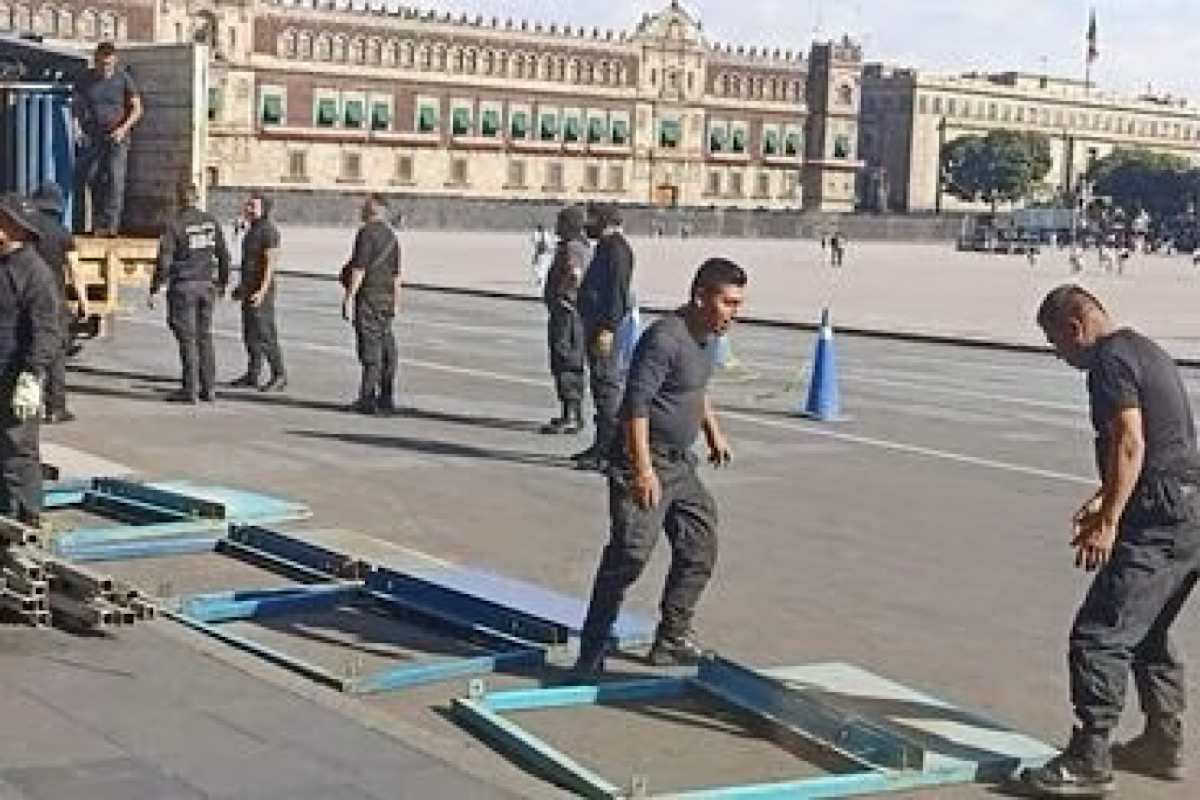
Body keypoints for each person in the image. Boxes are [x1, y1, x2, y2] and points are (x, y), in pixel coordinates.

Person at [1020, 285, 1200, 797]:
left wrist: (1110, 521)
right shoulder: (1146, 349)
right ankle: (1162, 745)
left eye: (1056, 343)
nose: (1059, 355)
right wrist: (1105, 497)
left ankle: (1089, 758)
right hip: (1190, 507)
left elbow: (1131, 439)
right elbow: (1158, 444)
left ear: (1075, 328)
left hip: (1160, 516)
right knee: (1149, 631)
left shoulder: (1109, 361)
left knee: (1099, 635)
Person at [571, 258, 746, 679]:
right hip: (643, 460)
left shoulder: (708, 337)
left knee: (699, 544)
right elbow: (636, 405)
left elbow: (694, 389)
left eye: (738, 304)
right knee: (629, 556)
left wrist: (713, 432)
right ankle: (591, 650)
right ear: (700, 295)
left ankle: (670, 639)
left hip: (679, 464)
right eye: (728, 302)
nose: (733, 313)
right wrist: (642, 471)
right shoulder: (665, 339)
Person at [0, 194, 61, 526]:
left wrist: (32, 376)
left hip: (16, 374)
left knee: (17, 450)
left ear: (13, 229)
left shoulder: (34, 273)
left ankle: (25, 521)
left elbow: (48, 331)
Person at [149, 184, 230, 404]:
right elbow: (224, 255)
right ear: (197, 198)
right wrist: (223, 282)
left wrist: (155, 287)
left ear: (179, 200)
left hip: (184, 287)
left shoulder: (175, 225)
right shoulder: (211, 222)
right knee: (204, 336)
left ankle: (190, 389)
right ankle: (209, 387)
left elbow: (164, 261)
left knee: (188, 339)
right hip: (206, 286)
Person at [574, 203, 635, 472]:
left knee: (608, 388)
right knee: (601, 388)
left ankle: (609, 451)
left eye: (592, 220)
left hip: (605, 328)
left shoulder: (618, 251)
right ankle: (601, 444)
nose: (588, 225)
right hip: (597, 324)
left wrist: (608, 328)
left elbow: (617, 295)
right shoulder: (608, 248)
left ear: (605, 222)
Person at [29, 183, 88, 424]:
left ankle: (24, 405)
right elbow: (75, 269)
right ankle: (55, 408)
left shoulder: (27, 230)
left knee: (25, 350)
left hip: (28, 296)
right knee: (56, 355)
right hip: (54, 300)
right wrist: (83, 300)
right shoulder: (62, 233)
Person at [72, 41, 142, 236]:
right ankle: (95, 223)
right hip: (94, 135)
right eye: (102, 64)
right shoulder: (86, 79)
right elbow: (76, 105)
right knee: (91, 177)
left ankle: (110, 226)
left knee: (114, 178)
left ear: (115, 61)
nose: (105, 69)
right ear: (95, 61)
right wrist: (77, 126)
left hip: (117, 136)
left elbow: (137, 109)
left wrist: (123, 129)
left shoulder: (123, 79)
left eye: (109, 65)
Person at [342, 195, 401, 415]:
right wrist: (396, 301)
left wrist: (349, 298)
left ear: (371, 210)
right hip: (386, 299)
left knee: (370, 352)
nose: (360, 211)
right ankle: (386, 397)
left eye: (363, 208)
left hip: (369, 298)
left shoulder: (366, 233)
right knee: (386, 349)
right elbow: (396, 275)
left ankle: (367, 399)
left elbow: (360, 269)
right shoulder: (392, 237)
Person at [540, 205, 591, 435]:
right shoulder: (577, 246)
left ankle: (571, 414)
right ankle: (570, 412)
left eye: (561, 222)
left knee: (566, 358)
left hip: (568, 315)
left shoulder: (573, 247)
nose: (557, 226)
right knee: (566, 359)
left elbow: (575, 274)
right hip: (569, 314)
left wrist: (562, 293)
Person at [230, 192, 286, 392]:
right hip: (249, 288)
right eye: (248, 206)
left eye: (252, 206)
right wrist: (241, 287)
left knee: (265, 334)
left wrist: (262, 291)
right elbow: (248, 263)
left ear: (264, 210)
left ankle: (279, 374)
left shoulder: (269, 231)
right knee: (250, 333)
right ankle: (253, 373)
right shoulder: (252, 230)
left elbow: (271, 263)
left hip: (261, 291)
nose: (248, 209)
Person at [530, 223, 552, 288]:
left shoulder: (536, 234)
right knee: (541, 266)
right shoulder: (546, 234)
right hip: (544, 252)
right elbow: (548, 243)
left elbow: (533, 241)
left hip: (539, 252)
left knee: (536, 265)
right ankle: (541, 278)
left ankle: (540, 278)